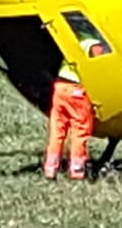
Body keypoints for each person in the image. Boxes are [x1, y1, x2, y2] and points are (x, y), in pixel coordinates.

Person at [43, 38, 104, 181]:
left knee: (57, 130)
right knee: (80, 129)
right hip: (77, 89)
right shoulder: (93, 43)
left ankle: (50, 168)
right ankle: (77, 170)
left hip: (60, 87)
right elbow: (101, 64)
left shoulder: (72, 39)